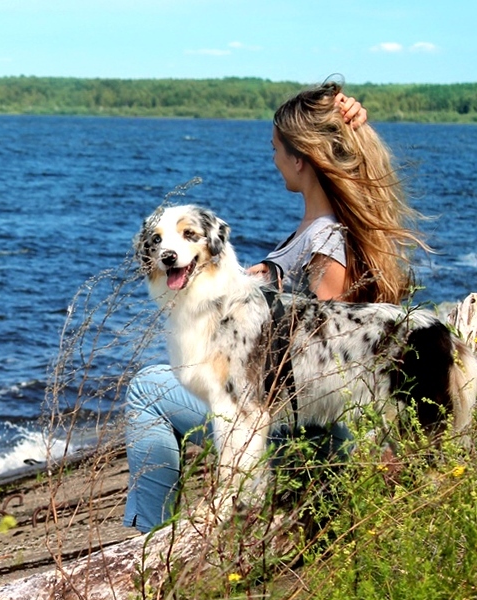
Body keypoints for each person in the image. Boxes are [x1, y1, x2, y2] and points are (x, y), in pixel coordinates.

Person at [122, 81, 429, 531]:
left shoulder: (326, 240)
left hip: (289, 425)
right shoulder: (318, 228)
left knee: (147, 388)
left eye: (275, 149)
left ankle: (146, 538)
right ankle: (154, 532)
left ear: (300, 159)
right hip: (275, 410)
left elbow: (320, 352)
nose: (272, 159)